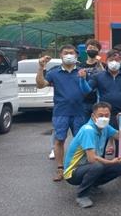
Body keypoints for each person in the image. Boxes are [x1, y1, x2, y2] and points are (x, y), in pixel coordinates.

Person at [78, 49, 121, 175]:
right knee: (101, 140)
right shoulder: (98, 76)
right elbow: (86, 90)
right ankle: (99, 166)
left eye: (117, 60)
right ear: (106, 61)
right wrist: (82, 80)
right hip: (103, 115)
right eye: (111, 60)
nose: (114, 62)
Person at [63, 102, 121, 208]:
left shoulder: (105, 127)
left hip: (88, 166)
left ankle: (92, 185)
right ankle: (82, 195)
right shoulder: (88, 130)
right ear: (93, 116)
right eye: (100, 115)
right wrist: (110, 162)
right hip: (73, 172)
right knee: (97, 166)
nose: (104, 118)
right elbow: (92, 159)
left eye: (107, 115)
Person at [36, 45, 85, 182]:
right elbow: (40, 85)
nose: (68, 55)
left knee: (80, 141)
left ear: (76, 55)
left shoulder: (82, 71)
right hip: (61, 112)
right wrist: (41, 67)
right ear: (61, 56)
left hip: (80, 112)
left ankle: (77, 167)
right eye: (65, 53)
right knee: (59, 140)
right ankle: (60, 169)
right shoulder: (54, 72)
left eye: (71, 53)